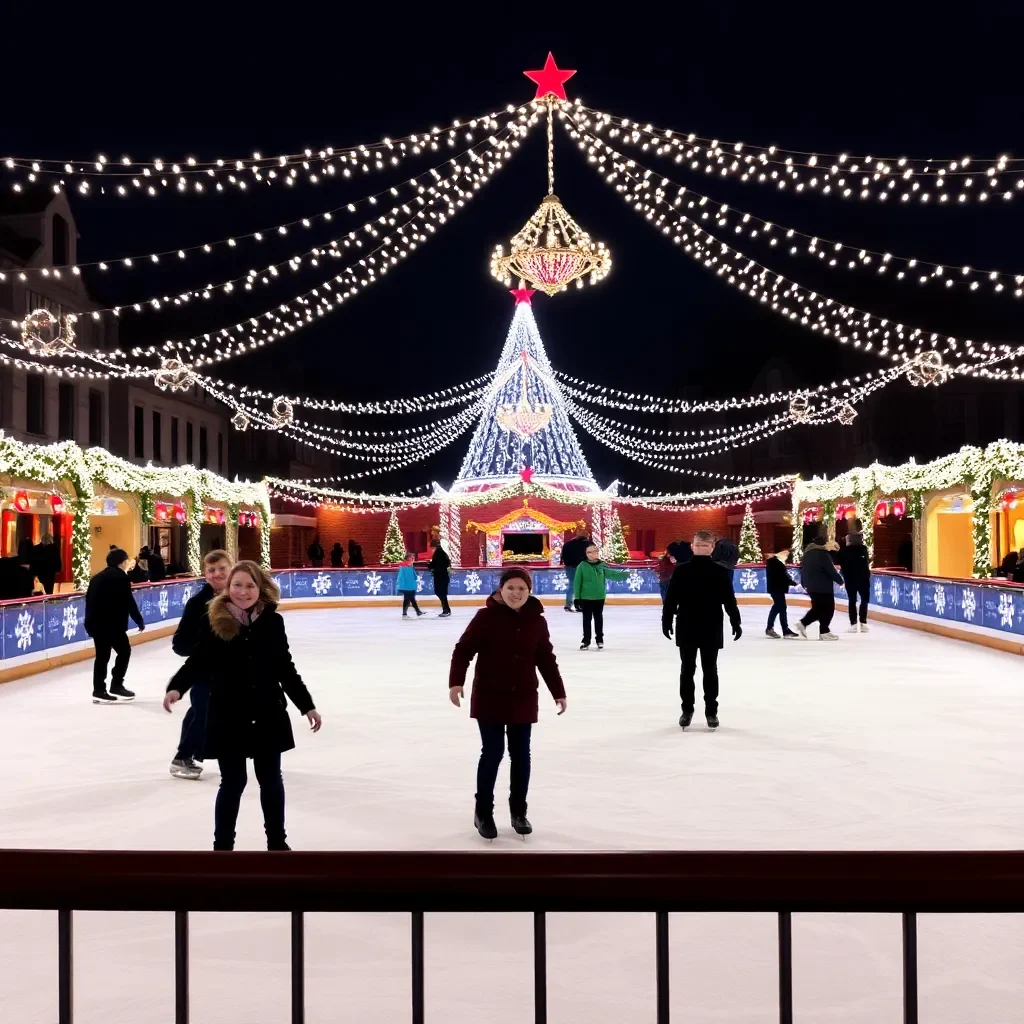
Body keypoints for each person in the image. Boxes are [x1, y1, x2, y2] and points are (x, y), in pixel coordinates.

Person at [163, 561, 322, 851]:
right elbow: (198, 661)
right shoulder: (214, 619)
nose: (244, 591)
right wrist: (177, 687)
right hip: (228, 714)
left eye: (250, 585)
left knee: (271, 779)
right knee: (233, 782)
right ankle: (223, 847)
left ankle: (277, 843)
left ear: (260, 587)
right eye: (237, 585)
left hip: (267, 712)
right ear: (227, 587)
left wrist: (306, 705)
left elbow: (284, 667)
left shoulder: (272, 621)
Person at [449, 567, 566, 840]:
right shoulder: (485, 617)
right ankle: (483, 813)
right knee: (492, 752)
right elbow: (463, 649)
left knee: (521, 755)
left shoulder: (537, 621)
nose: (516, 593)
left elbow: (546, 658)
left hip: (523, 696)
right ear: (501, 589)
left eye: (522, 588)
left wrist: (558, 691)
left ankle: (519, 811)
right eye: (511, 587)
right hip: (490, 695)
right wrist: (456, 682)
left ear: (530, 591)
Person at [662, 530, 741, 730]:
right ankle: (687, 709)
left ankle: (711, 711)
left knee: (710, 670)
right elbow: (671, 598)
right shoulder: (681, 570)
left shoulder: (720, 571)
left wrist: (735, 620)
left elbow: (728, 599)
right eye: (699, 545)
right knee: (687, 670)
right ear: (692, 546)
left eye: (706, 546)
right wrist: (666, 619)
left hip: (711, 624)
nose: (702, 548)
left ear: (712, 547)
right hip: (687, 624)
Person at [168, 549, 231, 780]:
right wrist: (204, 651)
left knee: (198, 711)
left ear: (231, 568)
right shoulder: (197, 604)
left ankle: (185, 755)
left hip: (231, 671)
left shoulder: (239, 596)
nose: (217, 574)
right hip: (205, 670)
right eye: (212, 570)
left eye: (222, 568)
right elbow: (180, 642)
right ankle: (183, 756)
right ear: (205, 574)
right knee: (204, 712)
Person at [84, 547, 145, 703]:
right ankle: (116, 684)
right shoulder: (121, 578)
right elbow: (128, 602)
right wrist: (139, 619)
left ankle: (99, 689)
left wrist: (89, 623)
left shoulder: (96, 578)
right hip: (112, 625)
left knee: (102, 657)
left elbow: (89, 602)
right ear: (122, 562)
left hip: (97, 625)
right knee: (124, 652)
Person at [572, 543, 628, 650]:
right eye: (589, 552)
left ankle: (599, 639)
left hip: (599, 597)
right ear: (586, 554)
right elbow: (577, 583)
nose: (592, 554)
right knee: (586, 620)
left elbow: (611, 574)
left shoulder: (602, 565)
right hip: (586, 597)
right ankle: (586, 640)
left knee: (598, 618)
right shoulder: (582, 566)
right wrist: (577, 599)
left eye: (595, 551)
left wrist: (623, 574)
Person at [796, 533, 844, 640]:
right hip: (823, 587)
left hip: (811, 587)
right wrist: (840, 581)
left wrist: (804, 583)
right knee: (827, 608)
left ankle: (816, 628)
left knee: (818, 608)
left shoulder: (807, 554)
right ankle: (821, 630)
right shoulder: (822, 554)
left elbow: (802, 570)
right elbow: (830, 570)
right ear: (823, 544)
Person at [837, 520, 871, 633]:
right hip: (862, 578)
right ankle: (862, 622)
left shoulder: (845, 551)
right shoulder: (863, 549)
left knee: (853, 600)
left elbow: (840, 562)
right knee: (863, 599)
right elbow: (866, 562)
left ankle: (855, 623)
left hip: (851, 578)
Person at [765, 548, 799, 638]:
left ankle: (774, 628)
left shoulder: (777, 562)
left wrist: (791, 582)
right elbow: (781, 576)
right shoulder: (774, 562)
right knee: (781, 608)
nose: (787, 553)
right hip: (776, 588)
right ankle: (782, 629)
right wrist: (792, 582)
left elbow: (783, 575)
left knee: (778, 608)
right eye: (785, 551)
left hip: (777, 588)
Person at [559, 531, 591, 613]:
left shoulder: (567, 544)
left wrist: (565, 563)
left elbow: (562, 555)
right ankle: (579, 605)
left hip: (569, 567)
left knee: (571, 585)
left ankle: (568, 605)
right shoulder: (588, 544)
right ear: (586, 537)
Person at [428, 540, 452, 617]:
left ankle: (446, 610)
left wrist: (429, 565)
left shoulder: (438, 554)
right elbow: (447, 562)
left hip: (440, 576)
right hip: (443, 576)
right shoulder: (442, 553)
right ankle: (446, 609)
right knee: (442, 593)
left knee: (440, 592)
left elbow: (435, 564)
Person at [396, 553, 424, 618]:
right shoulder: (403, 567)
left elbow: (414, 577)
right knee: (411, 599)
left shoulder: (410, 566)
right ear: (407, 559)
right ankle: (417, 611)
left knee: (408, 599)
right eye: (411, 558)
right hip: (407, 587)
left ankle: (407, 613)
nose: (412, 560)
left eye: (413, 559)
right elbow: (401, 577)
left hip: (410, 586)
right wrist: (401, 585)